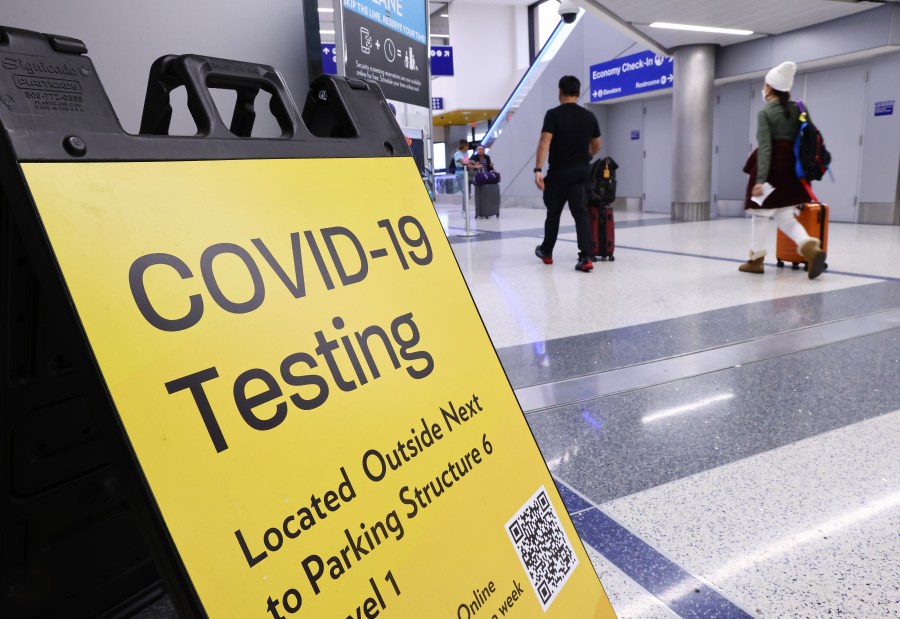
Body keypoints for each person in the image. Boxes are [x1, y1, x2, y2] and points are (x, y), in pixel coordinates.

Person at [739, 61, 826, 279]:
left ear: (769, 87)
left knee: (760, 215)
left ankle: (756, 260)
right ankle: (810, 248)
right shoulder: (798, 107)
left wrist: (760, 180)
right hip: (793, 170)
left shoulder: (766, 112)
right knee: (786, 216)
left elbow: (766, 148)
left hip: (772, 169)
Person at [533, 75, 601, 272]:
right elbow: (597, 144)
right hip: (582, 172)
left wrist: (538, 169)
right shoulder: (589, 116)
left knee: (553, 213)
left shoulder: (553, 115)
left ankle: (546, 252)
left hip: (559, 173)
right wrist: (587, 156)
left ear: (560, 92)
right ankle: (586, 256)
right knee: (581, 213)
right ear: (578, 93)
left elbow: (545, 141)